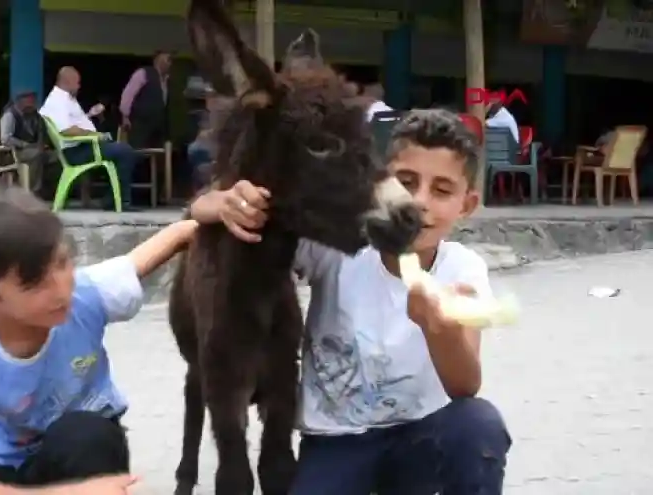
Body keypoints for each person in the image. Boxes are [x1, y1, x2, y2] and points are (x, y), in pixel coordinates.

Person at [188, 109, 511, 494]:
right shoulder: (339, 248)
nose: (419, 201)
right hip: (336, 441)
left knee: (478, 423)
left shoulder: (462, 269)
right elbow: (241, 218)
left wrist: (438, 330)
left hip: (419, 437)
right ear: (380, 182)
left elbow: (465, 385)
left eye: (441, 191)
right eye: (406, 182)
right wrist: (218, 203)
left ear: (467, 205)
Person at [0, 187, 198, 494]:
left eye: (62, 263)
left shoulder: (86, 295)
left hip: (79, 452)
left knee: (89, 434)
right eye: (34, 284)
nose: (60, 291)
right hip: (7, 473)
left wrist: (202, 213)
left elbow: (152, 252)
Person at [41, 66, 139, 211]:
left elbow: (72, 123)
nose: (79, 86)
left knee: (122, 150)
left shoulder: (66, 99)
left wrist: (90, 115)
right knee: (125, 151)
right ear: (67, 81)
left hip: (83, 146)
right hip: (76, 152)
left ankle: (113, 199)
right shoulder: (57, 101)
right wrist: (95, 136)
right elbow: (66, 130)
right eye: (77, 83)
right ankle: (120, 201)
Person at [0, 90, 57, 199]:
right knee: (37, 154)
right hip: (16, 152)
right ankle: (33, 191)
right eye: (30, 101)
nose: (33, 104)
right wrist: (24, 144)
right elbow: (5, 138)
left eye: (33, 101)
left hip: (34, 148)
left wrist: (42, 144)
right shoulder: (10, 115)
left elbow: (40, 133)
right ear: (21, 101)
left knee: (57, 156)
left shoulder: (35, 116)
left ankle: (51, 190)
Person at [119, 50, 172, 149]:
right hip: (141, 123)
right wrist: (125, 116)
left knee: (156, 151)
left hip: (157, 125)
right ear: (157, 60)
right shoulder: (143, 73)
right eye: (167, 59)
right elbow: (128, 94)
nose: (170, 63)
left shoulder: (166, 79)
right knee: (138, 150)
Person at [185, 81, 217, 190]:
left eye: (211, 96)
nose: (209, 100)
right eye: (207, 97)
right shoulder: (205, 115)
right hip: (205, 147)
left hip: (219, 147)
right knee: (194, 150)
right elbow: (201, 135)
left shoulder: (223, 111)